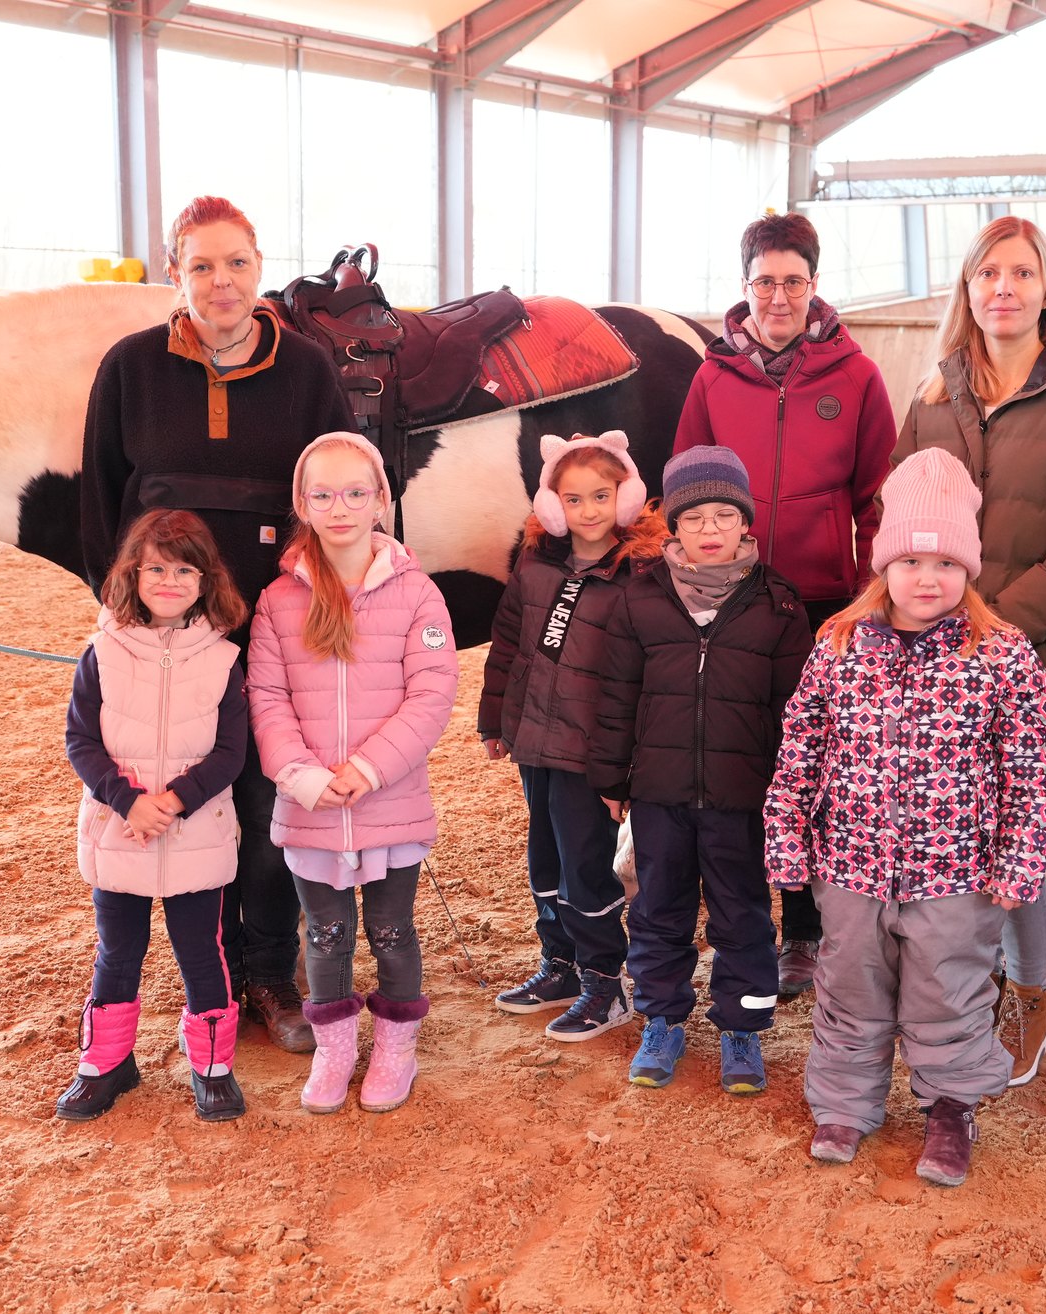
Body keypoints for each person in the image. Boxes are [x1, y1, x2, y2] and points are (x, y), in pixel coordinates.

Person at [81, 196, 354, 1055]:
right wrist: (131, 626)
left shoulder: (307, 370)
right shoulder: (129, 369)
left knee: (266, 806)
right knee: (177, 800)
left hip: (274, 638)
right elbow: (99, 509)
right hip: (168, 644)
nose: (221, 281)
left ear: (259, 266)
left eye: (236, 262)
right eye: (201, 265)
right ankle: (210, 976)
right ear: (176, 273)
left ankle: (268, 970)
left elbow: (339, 495)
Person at [887, 215, 1046, 1084]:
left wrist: (993, 628)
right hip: (936, 654)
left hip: (1037, 651)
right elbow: (897, 515)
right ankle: (966, 986)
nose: (1004, 288)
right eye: (988, 272)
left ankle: (1031, 998)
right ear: (967, 287)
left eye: (1022, 273)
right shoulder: (934, 394)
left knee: (1019, 836)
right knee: (947, 823)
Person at [766, 448, 1046, 1186]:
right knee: (849, 987)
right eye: (912, 562)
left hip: (956, 873)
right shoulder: (838, 646)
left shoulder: (1003, 656)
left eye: (948, 564)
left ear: (970, 569)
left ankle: (951, 1109)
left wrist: (1019, 861)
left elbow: (1029, 769)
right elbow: (800, 747)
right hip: (851, 865)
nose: (929, 579)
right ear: (883, 565)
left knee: (947, 992)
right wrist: (787, 838)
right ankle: (844, 1105)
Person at [672, 211, 900, 997]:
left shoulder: (856, 377)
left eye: (792, 281)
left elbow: (876, 495)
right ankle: (743, 925)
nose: (778, 297)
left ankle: (806, 928)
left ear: (814, 284)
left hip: (823, 603)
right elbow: (686, 483)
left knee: (813, 765)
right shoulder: (712, 378)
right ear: (745, 287)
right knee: (742, 759)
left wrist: (867, 595)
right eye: (764, 281)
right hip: (734, 598)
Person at [247, 433, 458, 1114]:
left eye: (355, 493)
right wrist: (303, 777)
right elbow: (267, 698)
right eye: (323, 495)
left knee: (392, 930)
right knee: (326, 934)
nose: (339, 508)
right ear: (302, 504)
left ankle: (396, 1048)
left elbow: (431, 695)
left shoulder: (419, 594)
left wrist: (368, 768)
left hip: (388, 801)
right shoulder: (277, 600)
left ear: (380, 501)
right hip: (310, 806)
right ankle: (334, 1049)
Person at [591, 447, 813, 1094]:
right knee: (657, 910)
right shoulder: (640, 599)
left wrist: (790, 789)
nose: (710, 530)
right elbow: (616, 696)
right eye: (694, 518)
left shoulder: (778, 604)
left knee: (743, 914)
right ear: (674, 526)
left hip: (742, 798)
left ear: (746, 522)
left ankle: (743, 1028)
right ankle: (662, 1020)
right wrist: (612, 778)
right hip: (659, 794)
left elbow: (795, 708)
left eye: (724, 515)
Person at [55, 509, 251, 1123]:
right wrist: (129, 801)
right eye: (157, 569)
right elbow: (80, 740)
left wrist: (177, 799)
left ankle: (212, 1067)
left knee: (202, 951)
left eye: (185, 570)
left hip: (196, 832)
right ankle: (106, 1063)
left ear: (206, 579)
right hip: (122, 831)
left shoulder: (224, 658)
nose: (170, 582)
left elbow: (231, 751)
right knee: (118, 950)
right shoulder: (102, 653)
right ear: (132, 576)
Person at [479, 431, 666, 1037]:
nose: (588, 511)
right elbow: (507, 643)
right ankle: (559, 963)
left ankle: (604, 982)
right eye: (574, 499)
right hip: (535, 739)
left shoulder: (641, 573)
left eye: (601, 496)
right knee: (546, 858)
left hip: (591, 750)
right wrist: (494, 718)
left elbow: (643, 675)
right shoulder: (536, 564)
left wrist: (625, 763)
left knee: (586, 866)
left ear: (626, 496)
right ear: (552, 503)